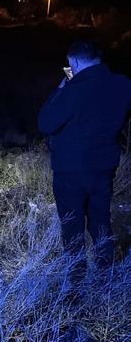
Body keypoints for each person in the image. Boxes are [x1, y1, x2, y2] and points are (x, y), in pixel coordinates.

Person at [38, 40, 131, 276]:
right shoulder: (123, 84)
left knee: (72, 226)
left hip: (71, 168)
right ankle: (105, 276)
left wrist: (60, 88)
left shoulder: (74, 89)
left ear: (75, 62)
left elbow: (45, 123)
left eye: (71, 66)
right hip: (104, 166)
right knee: (101, 220)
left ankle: (76, 280)